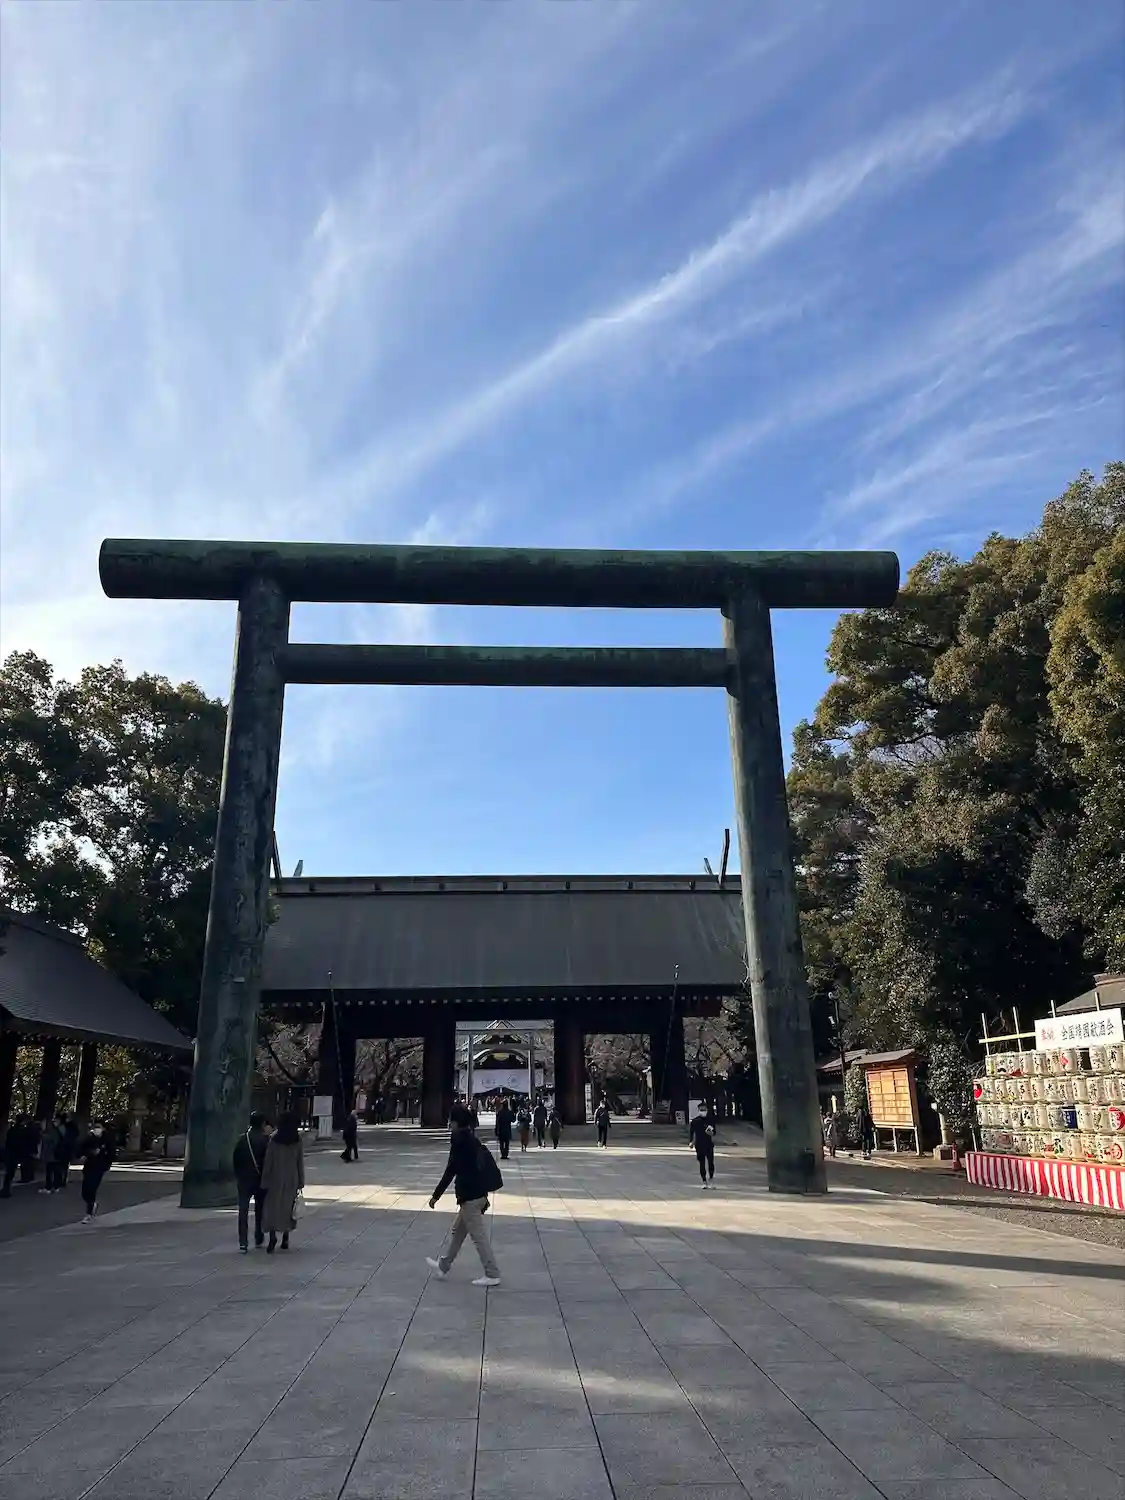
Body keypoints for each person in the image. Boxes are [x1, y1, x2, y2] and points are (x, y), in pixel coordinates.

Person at [425, 1103, 501, 1287]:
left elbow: (450, 1170)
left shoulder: (459, 1140)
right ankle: (443, 1265)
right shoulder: (471, 1138)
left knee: (478, 1236)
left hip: (470, 1197)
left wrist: (436, 1195)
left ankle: (492, 1273)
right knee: (458, 1232)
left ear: (456, 1122)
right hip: (478, 1194)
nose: (449, 1124)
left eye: (451, 1120)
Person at [261, 1110, 304, 1253]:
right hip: (292, 1178)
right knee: (288, 1208)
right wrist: (301, 1181)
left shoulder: (274, 1139)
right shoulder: (297, 1140)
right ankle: (286, 1237)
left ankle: (272, 1236)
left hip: (275, 1177)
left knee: (272, 1208)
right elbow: (299, 1162)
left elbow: (268, 1162)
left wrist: (264, 1180)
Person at [233, 1110, 272, 1253]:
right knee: (259, 1209)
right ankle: (259, 1236)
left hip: (244, 1180)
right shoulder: (265, 1140)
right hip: (259, 1179)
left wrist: (239, 1175)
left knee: (243, 1210)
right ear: (262, 1124)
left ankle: (243, 1242)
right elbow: (268, 1161)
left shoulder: (242, 1140)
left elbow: (235, 1159)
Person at [78, 1122, 116, 1222]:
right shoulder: (89, 1139)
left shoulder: (107, 1140)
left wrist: (107, 1165)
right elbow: (81, 1149)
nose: (97, 1130)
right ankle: (92, 1204)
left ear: (102, 1129)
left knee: (92, 1188)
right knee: (85, 1191)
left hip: (99, 1167)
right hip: (89, 1166)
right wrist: (88, 1153)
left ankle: (89, 1213)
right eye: (95, 1128)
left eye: (99, 1128)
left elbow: (111, 1153)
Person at [688, 1102, 716, 1188]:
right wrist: (691, 1142)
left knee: (711, 1162)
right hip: (699, 1145)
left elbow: (714, 1132)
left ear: (707, 1110)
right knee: (702, 1163)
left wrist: (711, 1133)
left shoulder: (710, 1120)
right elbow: (691, 1133)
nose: (703, 1111)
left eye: (704, 1109)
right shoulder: (695, 1121)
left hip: (709, 1144)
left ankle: (711, 1179)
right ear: (699, 1110)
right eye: (701, 1110)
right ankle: (704, 1181)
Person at [1, 1116, 28, 1198]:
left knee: (9, 1172)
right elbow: (22, 1144)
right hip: (16, 1154)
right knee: (11, 1172)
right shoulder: (22, 1131)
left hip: (10, 1153)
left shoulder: (12, 1130)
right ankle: (6, 1190)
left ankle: (6, 1189)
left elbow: (7, 1141)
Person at [39, 1116, 64, 1193]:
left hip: (52, 1154)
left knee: (49, 1171)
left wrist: (42, 1133)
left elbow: (50, 1140)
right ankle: (55, 1186)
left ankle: (48, 1187)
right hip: (56, 1154)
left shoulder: (53, 1132)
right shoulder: (59, 1130)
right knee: (55, 1170)